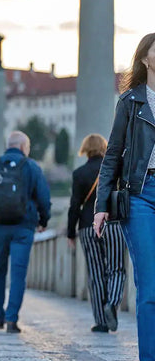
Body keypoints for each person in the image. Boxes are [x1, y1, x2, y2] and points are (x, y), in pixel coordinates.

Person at [93, 32, 155, 361]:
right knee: (149, 284)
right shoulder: (130, 101)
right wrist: (101, 205)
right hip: (142, 194)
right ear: (145, 58)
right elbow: (113, 153)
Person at [0, 131, 51, 334]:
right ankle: (11, 320)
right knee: (18, 273)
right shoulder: (31, 167)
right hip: (23, 227)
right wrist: (43, 221)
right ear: (23, 147)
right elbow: (44, 198)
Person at [68, 134, 126, 333]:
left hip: (87, 225)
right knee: (116, 267)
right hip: (114, 223)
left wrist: (70, 233)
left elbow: (74, 205)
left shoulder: (79, 173)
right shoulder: (116, 168)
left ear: (85, 149)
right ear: (104, 147)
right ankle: (113, 302)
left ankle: (101, 321)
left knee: (95, 272)